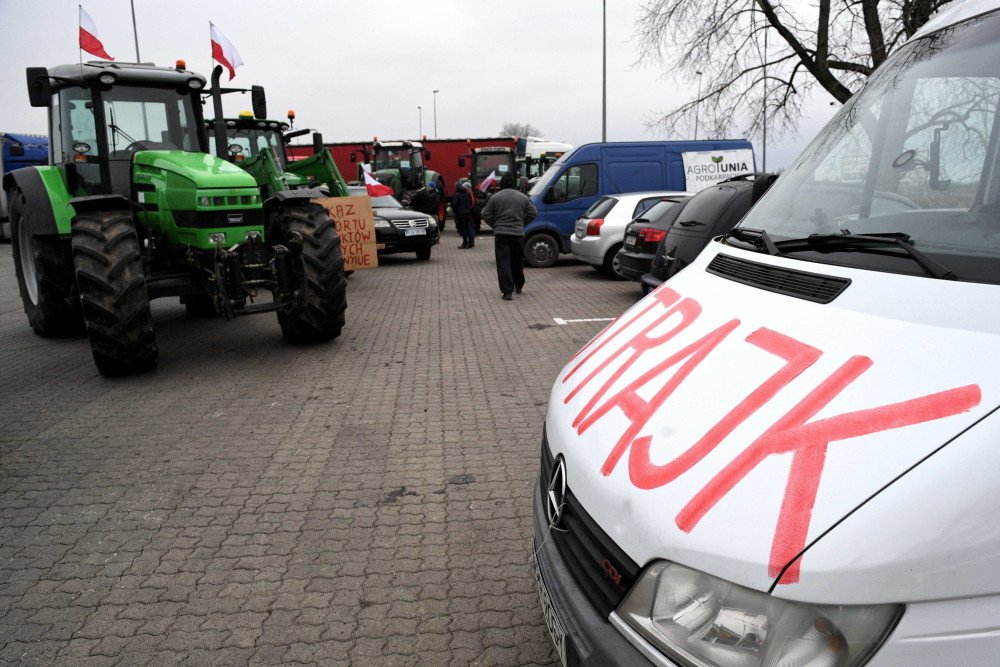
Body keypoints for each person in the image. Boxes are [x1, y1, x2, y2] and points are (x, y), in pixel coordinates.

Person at [481, 173, 537, 300]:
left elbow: (485, 214)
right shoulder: (523, 197)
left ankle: (507, 291)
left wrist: (495, 224)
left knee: (503, 262)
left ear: (502, 184)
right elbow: (533, 213)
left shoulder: (495, 197)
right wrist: (522, 223)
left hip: (501, 235)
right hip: (517, 234)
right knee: (517, 261)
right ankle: (519, 285)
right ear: (514, 183)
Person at [451, 181, 475, 249]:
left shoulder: (457, 194)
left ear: (457, 187)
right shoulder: (467, 193)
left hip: (460, 214)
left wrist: (456, 211)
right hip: (467, 213)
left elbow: (454, 205)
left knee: (463, 228)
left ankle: (465, 243)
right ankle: (471, 243)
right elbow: (471, 202)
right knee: (468, 227)